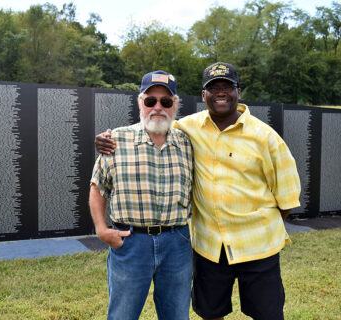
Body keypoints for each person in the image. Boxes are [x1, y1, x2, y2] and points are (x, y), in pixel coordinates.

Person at [95, 62, 301, 320]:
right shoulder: (187, 128)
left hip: (258, 247)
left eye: (227, 87)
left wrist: (260, 226)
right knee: (210, 312)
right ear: (203, 96)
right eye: (213, 88)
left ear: (238, 92)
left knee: (268, 314)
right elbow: (153, 125)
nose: (221, 93)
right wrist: (104, 139)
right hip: (210, 248)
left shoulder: (266, 137)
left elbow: (287, 198)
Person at [90, 70, 193, 320]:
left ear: (175, 105)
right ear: (140, 103)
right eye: (150, 101)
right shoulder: (116, 140)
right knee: (122, 315)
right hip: (131, 242)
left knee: (177, 315)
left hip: (177, 243)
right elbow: (97, 187)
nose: (158, 107)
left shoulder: (188, 144)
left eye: (166, 102)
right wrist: (102, 230)